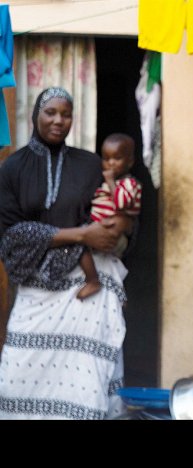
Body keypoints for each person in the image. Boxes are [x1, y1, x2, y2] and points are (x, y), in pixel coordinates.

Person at [0, 87, 133, 419]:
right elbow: (10, 236)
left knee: (86, 386)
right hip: (35, 294)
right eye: (51, 113)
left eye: (67, 114)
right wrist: (80, 234)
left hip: (87, 293)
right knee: (16, 381)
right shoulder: (12, 168)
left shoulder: (89, 165)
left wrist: (118, 228)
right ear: (36, 115)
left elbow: (118, 214)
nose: (59, 121)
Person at [77, 133, 142, 299]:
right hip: (98, 228)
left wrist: (111, 182)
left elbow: (121, 203)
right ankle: (107, 287)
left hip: (114, 235)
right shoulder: (104, 182)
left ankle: (93, 281)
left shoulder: (130, 183)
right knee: (77, 243)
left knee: (80, 243)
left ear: (130, 162)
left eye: (117, 158)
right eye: (106, 158)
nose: (110, 163)